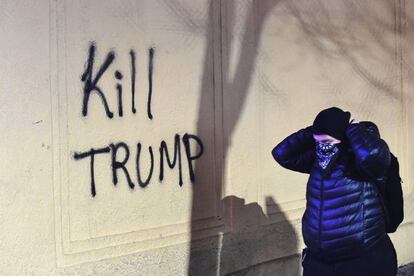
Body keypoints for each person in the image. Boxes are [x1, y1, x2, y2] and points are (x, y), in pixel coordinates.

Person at [271, 107, 398, 276]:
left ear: (340, 136)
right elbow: (282, 154)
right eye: (318, 141)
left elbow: (373, 157)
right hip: (321, 261)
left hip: (359, 260)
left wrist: (353, 129)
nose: (322, 146)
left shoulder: (359, 161)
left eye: (326, 140)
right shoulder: (319, 160)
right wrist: (313, 131)